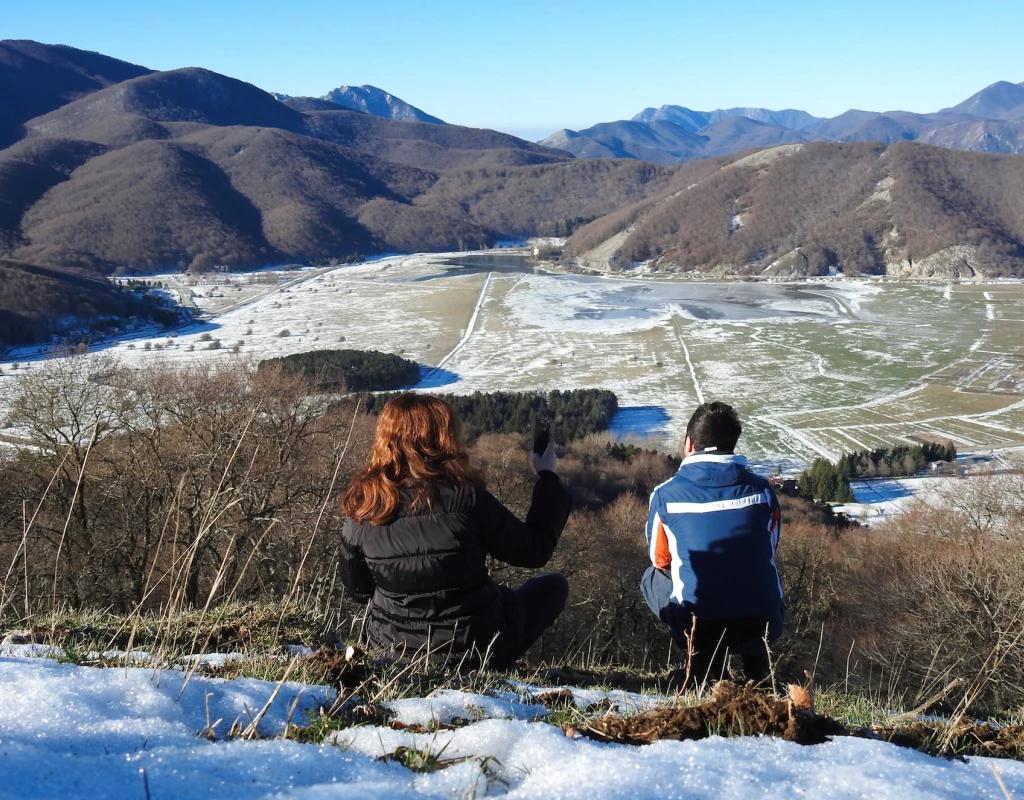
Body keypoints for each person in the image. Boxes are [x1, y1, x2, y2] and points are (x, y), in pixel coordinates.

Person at [338, 392, 572, 669]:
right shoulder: (468, 500)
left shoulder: (364, 510)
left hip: (392, 652)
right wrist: (547, 477)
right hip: (476, 652)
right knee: (552, 587)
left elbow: (359, 591)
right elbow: (534, 551)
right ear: (446, 438)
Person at [641, 401, 783, 688]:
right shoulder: (763, 491)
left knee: (651, 577)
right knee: (755, 567)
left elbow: (660, 560)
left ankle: (702, 667)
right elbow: (771, 546)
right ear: (732, 443)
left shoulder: (666, 495)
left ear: (689, 443)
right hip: (763, 620)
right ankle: (759, 667)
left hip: (699, 623)